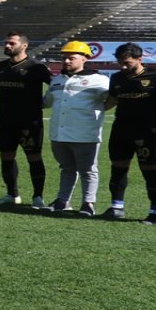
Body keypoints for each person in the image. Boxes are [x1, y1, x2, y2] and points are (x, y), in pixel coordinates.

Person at [103, 43, 156, 223]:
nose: (123, 66)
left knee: (149, 170)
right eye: (120, 62)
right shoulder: (118, 78)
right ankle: (116, 207)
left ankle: (155, 212)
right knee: (118, 168)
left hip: (147, 132)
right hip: (121, 129)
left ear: (139, 59)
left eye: (127, 62)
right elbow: (111, 101)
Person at [43, 41, 110, 215]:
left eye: (71, 58)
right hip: (58, 134)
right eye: (64, 58)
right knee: (66, 169)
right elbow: (46, 102)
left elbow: (111, 99)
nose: (66, 61)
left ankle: (88, 203)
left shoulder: (99, 80)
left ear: (84, 59)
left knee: (88, 170)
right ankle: (62, 201)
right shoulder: (57, 80)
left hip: (85, 134)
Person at [0, 32, 53, 207]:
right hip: (5, 120)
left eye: (11, 43)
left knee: (34, 157)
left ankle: (37, 197)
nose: (7, 46)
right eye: (6, 43)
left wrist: (45, 103)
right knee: (6, 157)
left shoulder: (36, 67)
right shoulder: (2, 66)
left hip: (29, 121)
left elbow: (56, 86)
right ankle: (12, 195)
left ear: (24, 45)